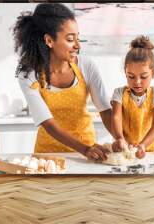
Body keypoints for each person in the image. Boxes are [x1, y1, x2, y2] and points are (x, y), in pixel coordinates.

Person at [14, 3, 112, 162]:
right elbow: (48, 123)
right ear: (49, 40)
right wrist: (84, 149)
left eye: (78, 38)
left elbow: (105, 109)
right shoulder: (29, 76)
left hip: (88, 153)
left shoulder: (86, 66)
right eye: (70, 39)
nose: (78, 45)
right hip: (48, 154)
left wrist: (120, 137)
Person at [111, 36, 154, 159]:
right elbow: (116, 117)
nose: (137, 82)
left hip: (150, 151)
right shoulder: (119, 93)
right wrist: (119, 138)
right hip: (125, 150)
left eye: (143, 76)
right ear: (125, 72)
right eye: (131, 76)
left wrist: (143, 145)